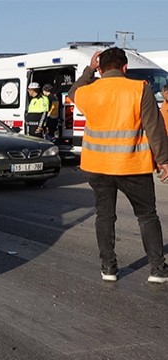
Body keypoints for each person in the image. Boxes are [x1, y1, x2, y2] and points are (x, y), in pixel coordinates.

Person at [68, 47, 168, 283]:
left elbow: (73, 92)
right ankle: (157, 270)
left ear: (100, 70)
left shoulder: (89, 91)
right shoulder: (139, 88)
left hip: (98, 166)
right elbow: (154, 127)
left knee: (104, 216)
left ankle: (108, 269)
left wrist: (88, 70)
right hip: (132, 165)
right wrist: (163, 160)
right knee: (146, 216)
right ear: (125, 67)